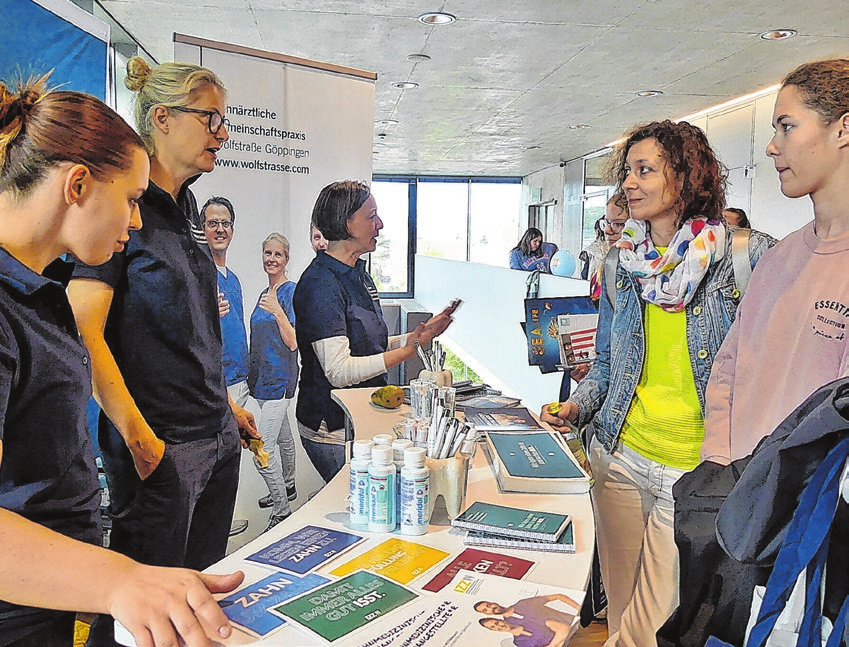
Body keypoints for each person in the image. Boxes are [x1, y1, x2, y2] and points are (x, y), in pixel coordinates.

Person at [0, 75, 243, 647]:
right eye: (131, 201)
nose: (135, 222)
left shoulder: (40, 290)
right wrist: (121, 580)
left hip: (64, 599)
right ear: (77, 185)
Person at [540, 120, 775, 646]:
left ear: (687, 177)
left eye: (645, 170)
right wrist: (576, 408)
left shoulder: (746, 256)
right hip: (618, 456)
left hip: (692, 469)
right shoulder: (623, 260)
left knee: (649, 630)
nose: (629, 183)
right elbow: (605, 362)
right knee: (621, 614)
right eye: (628, 171)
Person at [68, 57, 259, 592]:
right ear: (162, 118)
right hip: (162, 450)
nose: (222, 134)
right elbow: (85, 329)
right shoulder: (119, 204)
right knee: (149, 609)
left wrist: (223, 406)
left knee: (199, 596)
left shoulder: (186, 206)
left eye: (224, 120)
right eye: (210, 119)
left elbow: (188, 330)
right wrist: (140, 440)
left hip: (215, 437)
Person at [702, 58, 849, 465]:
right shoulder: (777, 259)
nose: (771, 146)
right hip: (739, 497)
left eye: (787, 126)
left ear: (843, 128)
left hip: (810, 517)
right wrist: (717, 463)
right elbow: (727, 369)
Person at [293, 180, 458, 483]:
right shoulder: (320, 285)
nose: (379, 224)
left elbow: (368, 344)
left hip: (360, 420)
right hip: (333, 428)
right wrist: (404, 352)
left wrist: (416, 339)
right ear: (347, 224)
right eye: (371, 216)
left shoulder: (357, 273)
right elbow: (339, 371)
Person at [201, 195, 250, 537]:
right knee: (214, 457)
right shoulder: (198, 273)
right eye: (212, 223)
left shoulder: (232, 278)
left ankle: (221, 520)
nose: (220, 229)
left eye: (225, 223)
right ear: (201, 230)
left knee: (232, 454)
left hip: (240, 378)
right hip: (214, 381)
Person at [248, 233, 299, 531]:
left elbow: (293, 341)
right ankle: (288, 485)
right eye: (267, 253)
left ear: (286, 258)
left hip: (280, 379)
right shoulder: (262, 294)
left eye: (277, 254)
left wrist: (278, 310)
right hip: (262, 381)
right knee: (282, 437)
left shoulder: (290, 292)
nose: (271, 259)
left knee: (261, 447)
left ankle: (282, 509)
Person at [478, 616, 574, 647]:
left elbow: (564, 628)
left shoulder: (529, 621)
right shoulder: (519, 643)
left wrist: (551, 646)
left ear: (502, 620)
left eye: (497, 622)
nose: (498, 626)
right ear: (493, 630)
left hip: (576, 637)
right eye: (493, 627)